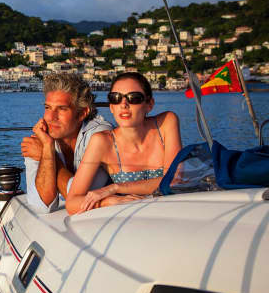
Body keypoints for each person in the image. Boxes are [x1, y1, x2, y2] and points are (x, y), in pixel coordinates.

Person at [65, 72, 183, 215]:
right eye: (116, 98)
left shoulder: (166, 123)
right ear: (111, 107)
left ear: (149, 104)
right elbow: (72, 203)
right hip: (131, 218)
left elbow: (175, 180)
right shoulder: (102, 142)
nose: (124, 104)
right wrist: (107, 201)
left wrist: (115, 188)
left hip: (172, 211)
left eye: (134, 98)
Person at [22, 73, 113, 213]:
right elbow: (40, 205)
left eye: (62, 109)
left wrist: (46, 154)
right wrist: (47, 147)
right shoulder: (41, 139)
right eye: (47, 108)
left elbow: (83, 199)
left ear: (82, 113)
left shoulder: (100, 134)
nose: (50, 117)